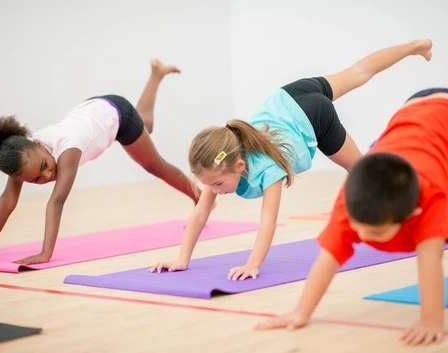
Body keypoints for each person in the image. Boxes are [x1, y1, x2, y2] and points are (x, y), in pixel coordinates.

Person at [150, 39, 433, 280]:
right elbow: (200, 212)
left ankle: (402, 161)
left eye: (218, 184)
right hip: (288, 96)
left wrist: (253, 264)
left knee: (362, 170)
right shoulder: (219, 163)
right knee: (358, 72)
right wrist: (181, 259)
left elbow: (268, 221)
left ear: (239, 165)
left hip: (314, 116)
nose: (216, 191)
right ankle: (416, 46)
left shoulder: (266, 169)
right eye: (210, 185)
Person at [255, 87, 448, 345]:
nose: (363, 237)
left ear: (413, 214)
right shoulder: (352, 198)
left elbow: (430, 259)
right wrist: (301, 312)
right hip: (413, 107)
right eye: (359, 228)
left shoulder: (429, 199)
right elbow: (328, 258)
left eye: (377, 232)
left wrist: (431, 320)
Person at [0, 59, 200, 265]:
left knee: (154, 165)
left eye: (44, 166)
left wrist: (46, 253)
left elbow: (56, 202)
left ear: (39, 143)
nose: (46, 176)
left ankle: (198, 197)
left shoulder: (68, 150)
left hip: (117, 114)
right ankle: (156, 74)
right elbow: (8, 199)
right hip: (93, 109)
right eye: (35, 179)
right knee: (146, 124)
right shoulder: (23, 158)